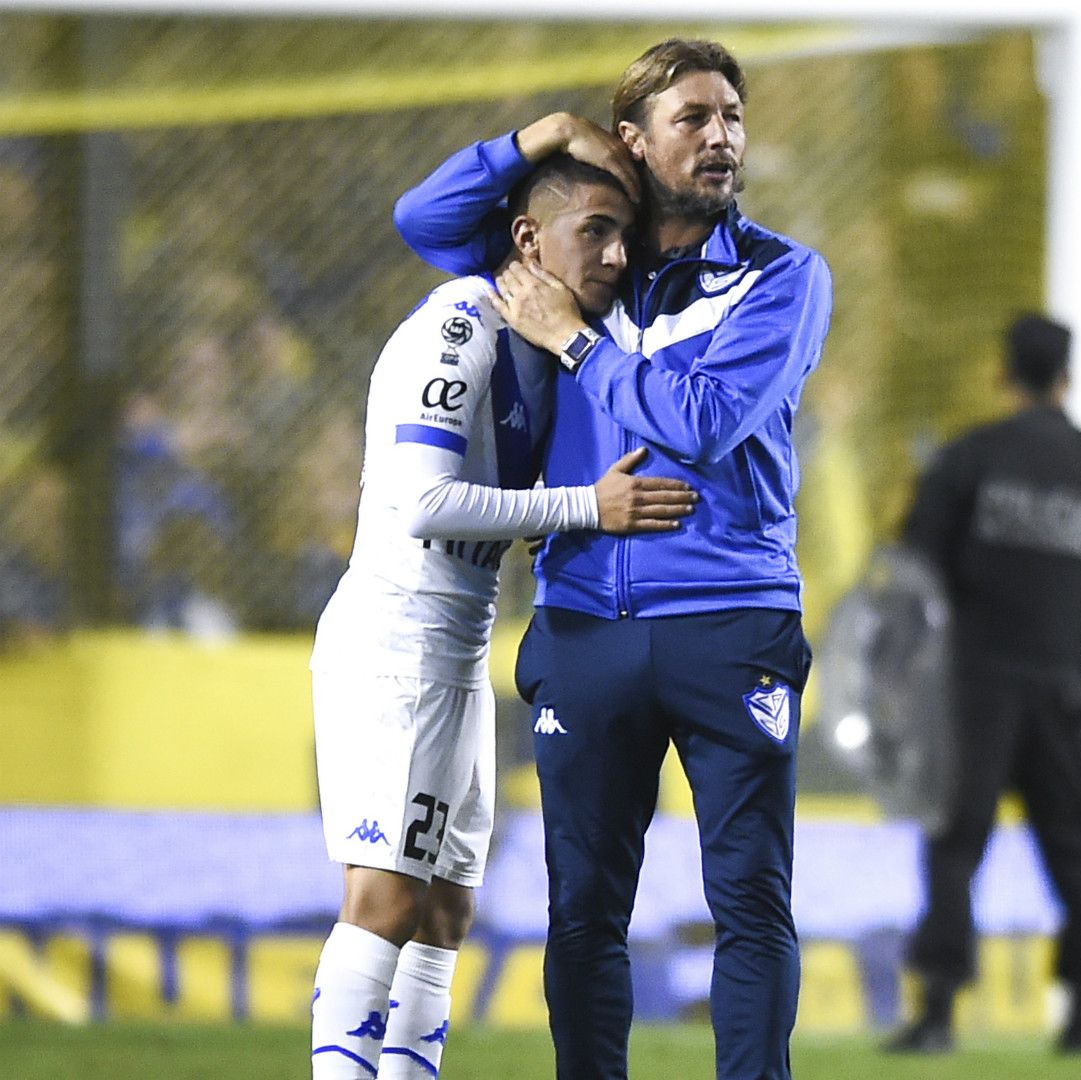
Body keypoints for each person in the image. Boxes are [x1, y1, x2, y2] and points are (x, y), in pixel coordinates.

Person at [391, 38, 832, 1080]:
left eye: (732, 116)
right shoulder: (587, 252)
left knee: (750, 903)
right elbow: (423, 221)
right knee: (583, 909)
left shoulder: (783, 275)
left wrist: (576, 342)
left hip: (730, 618)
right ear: (631, 141)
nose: (721, 137)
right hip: (585, 619)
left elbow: (706, 422)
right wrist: (544, 135)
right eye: (693, 118)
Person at [309, 156, 695, 1079]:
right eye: (592, 230)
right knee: (384, 900)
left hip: (458, 653)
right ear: (528, 239)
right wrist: (585, 507)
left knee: (444, 911)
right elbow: (424, 503)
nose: (615, 254)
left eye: (623, 235)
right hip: (396, 645)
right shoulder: (459, 325)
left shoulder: (550, 346)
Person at [885, 315, 1081, 1056]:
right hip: (1064, 686)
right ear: (1067, 377)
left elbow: (912, 570)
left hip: (973, 687)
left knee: (955, 843)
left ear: (1005, 375)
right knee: (1078, 848)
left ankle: (937, 1011)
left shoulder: (967, 457)